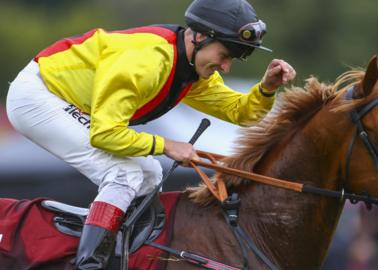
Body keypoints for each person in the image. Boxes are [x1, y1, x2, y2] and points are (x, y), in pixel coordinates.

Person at [5, 0, 296, 269]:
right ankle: (89, 263)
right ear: (198, 37)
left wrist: (266, 88)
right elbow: (105, 134)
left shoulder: (192, 68)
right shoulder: (146, 62)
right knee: (124, 175)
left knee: (149, 173)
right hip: (39, 96)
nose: (226, 66)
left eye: (234, 58)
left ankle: (116, 250)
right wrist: (166, 145)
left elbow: (241, 113)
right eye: (224, 54)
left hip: (70, 102)